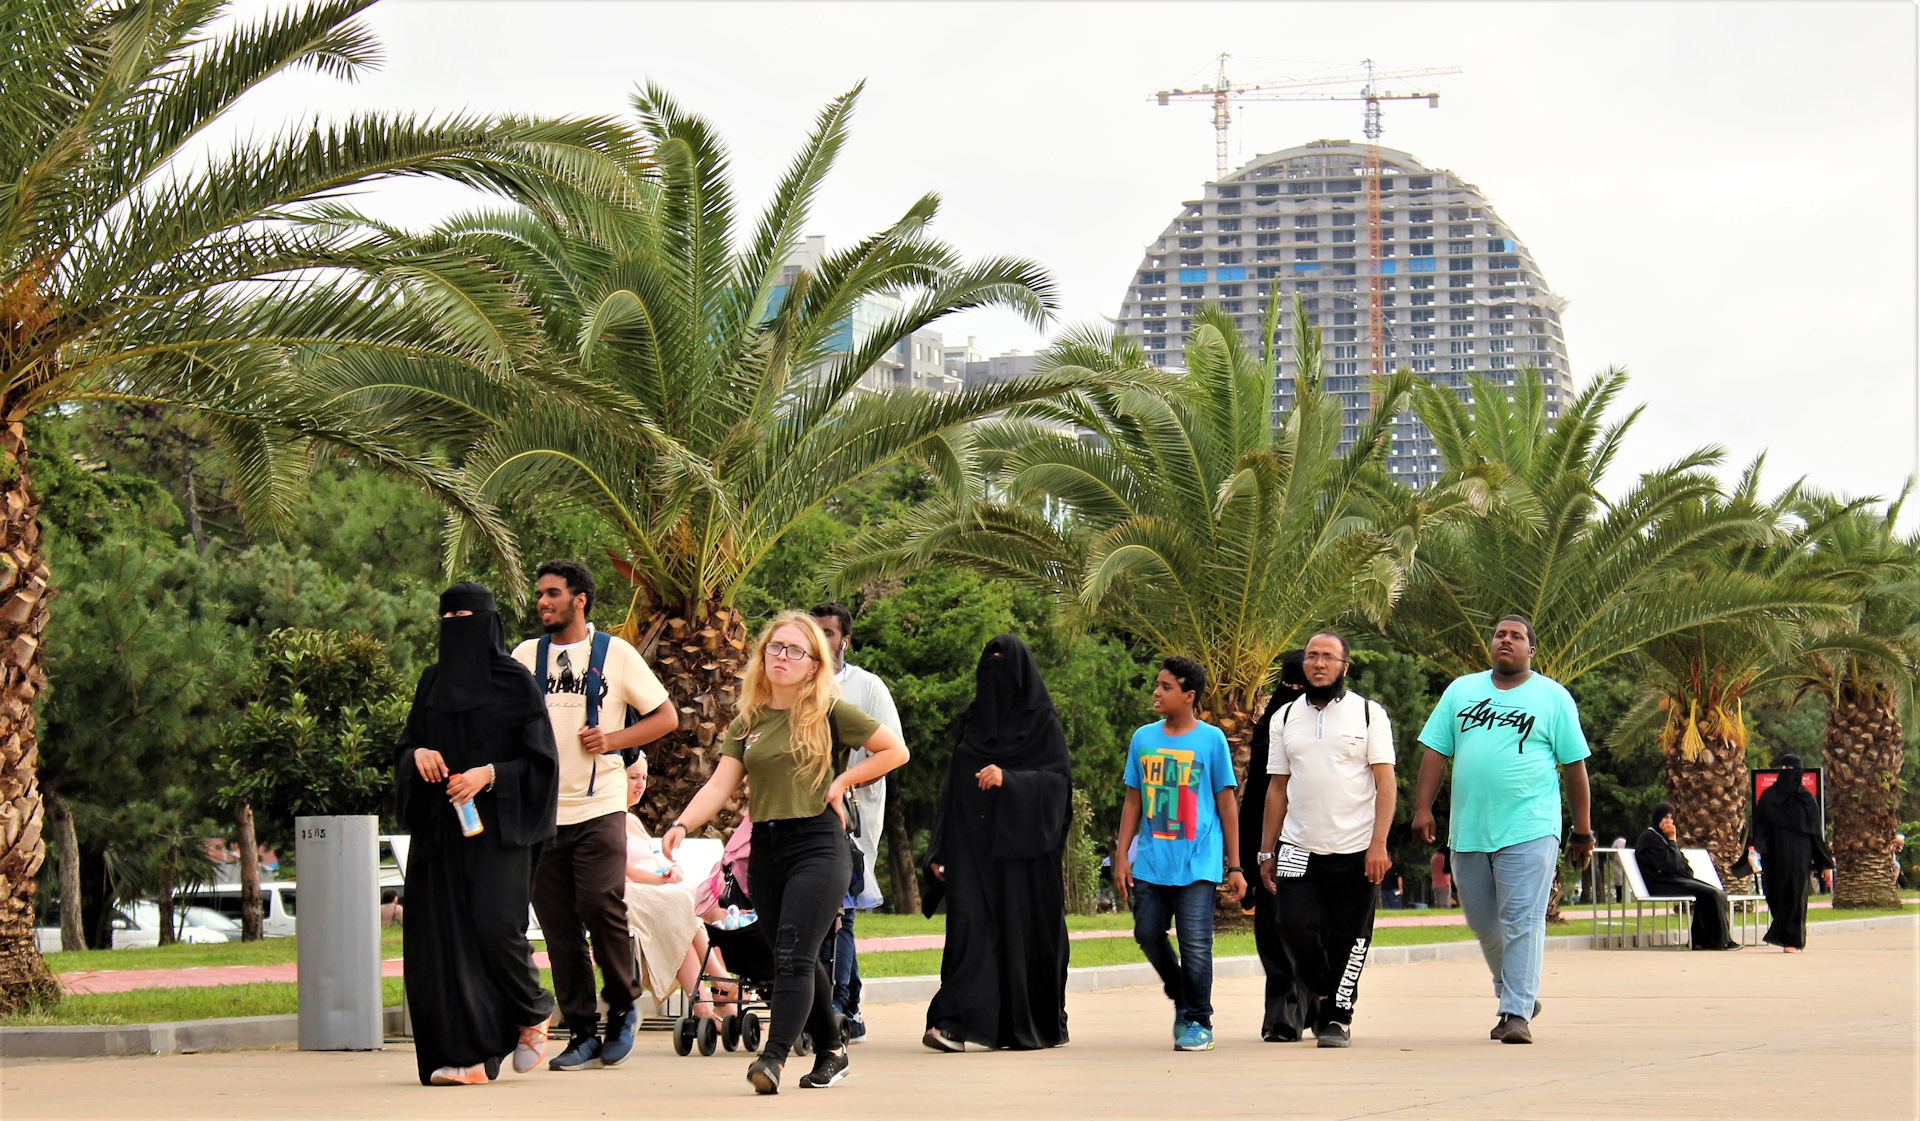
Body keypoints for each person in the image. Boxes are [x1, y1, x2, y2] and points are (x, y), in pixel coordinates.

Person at [661, 611, 909, 1095]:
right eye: (776, 647)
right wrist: (681, 823)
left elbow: (894, 750)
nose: (783, 656)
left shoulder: (831, 712)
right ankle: (832, 1051)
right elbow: (720, 782)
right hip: (767, 850)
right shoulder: (749, 719)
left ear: (815, 663)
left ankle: (771, 1058)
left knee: (793, 955)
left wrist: (842, 781)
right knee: (791, 954)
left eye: (796, 650)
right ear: (762, 655)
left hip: (818, 843)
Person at [513, 560, 677, 1072]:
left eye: (553, 593)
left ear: (579, 599)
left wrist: (613, 741)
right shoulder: (524, 656)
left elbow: (665, 717)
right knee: (559, 925)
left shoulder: (615, 654)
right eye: (540, 594)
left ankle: (624, 1004)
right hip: (543, 813)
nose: (543, 602)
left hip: (601, 803)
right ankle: (581, 1031)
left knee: (600, 902)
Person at [395, 582, 559, 1087]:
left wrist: (488, 774)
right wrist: (416, 755)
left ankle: (533, 1009)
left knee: (494, 927)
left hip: (499, 831)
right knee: (439, 940)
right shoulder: (431, 682)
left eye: (466, 614)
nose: (456, 624)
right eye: (448, 616)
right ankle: (465, 1057)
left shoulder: (515, 682)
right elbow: (407, 745)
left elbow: (541, 763)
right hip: (440, 831)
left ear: (488, 622)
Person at [1411, 615, 1593, 1045]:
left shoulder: (1553, 697)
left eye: (1516, 636)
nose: (1505, 640)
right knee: (1482, 921)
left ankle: (1514, 1012)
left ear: (1531, 650)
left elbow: (1574, 765)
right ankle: (1517, 991)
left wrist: (1582, 830)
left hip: (1530, 826)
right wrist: (1423, 808)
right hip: (1469, 828)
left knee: (1522, 919)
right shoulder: (1461, 691)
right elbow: (1436, 751)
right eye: (1499, 635)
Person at [921, 634, 1073, 1053]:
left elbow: (1059, 787)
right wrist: (939, 849)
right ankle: (952, 1024)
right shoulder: (971, 721)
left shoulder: (1042, 725)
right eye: (989, 665)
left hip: (1026, 860)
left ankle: (1025, 1025)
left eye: (1005, 666)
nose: (996, 675)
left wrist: (1011, 780)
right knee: (969, 932)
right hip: (972, 851)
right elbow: (952, 790)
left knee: (1023, 938)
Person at [1256, 631, 1396, 1048]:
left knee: (1351, 937)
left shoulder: (1369, 714)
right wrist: (1268, 850)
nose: (1319, 664)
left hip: (1357, 849)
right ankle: (1320, 991)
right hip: (1298, 847)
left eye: (1328, 658)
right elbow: (1277, 788)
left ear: (1344, 666)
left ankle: (1338, 1017)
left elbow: (1386, 785)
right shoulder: (1284, 718)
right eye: (1313, 657)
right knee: (1291, 925)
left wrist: (1379, 844)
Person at [1114, 656, 1247, 1053]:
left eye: (1166, 686)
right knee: (1147, 932)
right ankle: (1180, 991)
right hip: (1153, 861)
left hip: (1198, 862)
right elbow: (1132, 802)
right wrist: (1123, 855)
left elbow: (1226, 804)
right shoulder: (1143, 738)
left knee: (1195, 945)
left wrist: (1235, 865)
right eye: (1157, 684)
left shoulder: (1211, 740)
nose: (1156, 692)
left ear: (1189, 696)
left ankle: (1198, 1020)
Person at [809, 603, 901, 1046]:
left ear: (844, 639)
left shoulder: (866, 687)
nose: (821, 639)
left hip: (853, 812)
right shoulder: (794, 684)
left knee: (843, 907)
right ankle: (852, 1006)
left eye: (828, 632)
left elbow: (892, 749)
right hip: (801, 813)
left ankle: (840, 1007)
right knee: (831, 911)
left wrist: (846, 785)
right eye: (814, 631)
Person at [621, 755, 735, 1019]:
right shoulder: (607, 819)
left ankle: (714, 1008)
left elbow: (658, 860)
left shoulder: (633, 821)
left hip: (657, 893)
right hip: (631, 894)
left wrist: (675, 869)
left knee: (704, 908)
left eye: (644, 778)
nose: (640, 785)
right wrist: (661, 879)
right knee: (678, 907)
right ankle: (720, 982)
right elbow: (623, 870)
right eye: (633, 777)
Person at [1238, 649, 1312, 1042]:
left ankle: (1304, 1008)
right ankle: (1286, 1013)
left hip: (1310, 837)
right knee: (1277, 929)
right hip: (1276, 842)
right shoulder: (1276, 724)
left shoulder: (1281, 719)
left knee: (1293, 928)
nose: (1293, 693)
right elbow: (1259, 797)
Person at [1747, 754, 1833, 952]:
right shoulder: (1768, 796)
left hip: (1799, 854)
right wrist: (1757, 849)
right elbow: (1759, 825)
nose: (1787, 772)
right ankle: (1782, 932)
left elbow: (1815, 833)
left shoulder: (1806, 799)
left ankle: (1792, 940)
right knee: (1774, 892)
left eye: (1791, 769)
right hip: (1773, 853)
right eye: (1783, 768)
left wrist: (1824, 862)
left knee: (1795, 894)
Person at [1634, 802, 1740, 950]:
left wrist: (1672, 858)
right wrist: (1672, 841)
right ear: (1657, 818)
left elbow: (1684, 867)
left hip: (1672, 879)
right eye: (1665, 817)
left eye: (1671, 818)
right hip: (1660, 883)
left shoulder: (1663, 839)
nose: (1669, 822)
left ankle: (1702, 940)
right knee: (1710, 893)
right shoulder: (1649, 838)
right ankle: (1721, 941)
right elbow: (1671, 865)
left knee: (1718, 893)